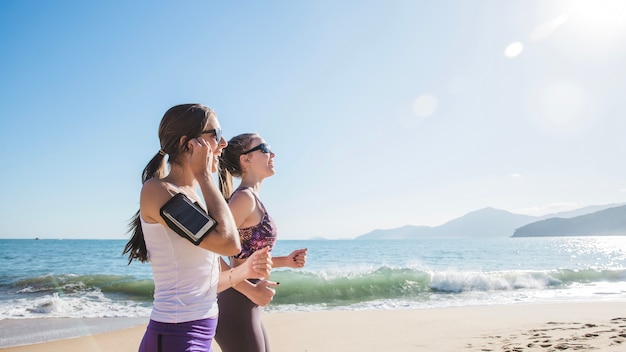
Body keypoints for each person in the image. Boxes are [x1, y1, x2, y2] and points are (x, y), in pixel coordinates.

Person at [123, 104, 273, 352]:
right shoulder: (159, 191)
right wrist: (204, 176)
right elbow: (228, 243)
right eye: (215, 134)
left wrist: (246, 271)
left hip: (199, 333)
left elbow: (205, 282)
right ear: (188, 144)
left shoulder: (190, 198)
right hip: (175, 336)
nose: (223, 143)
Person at [215, 133, 308, 352]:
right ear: (245, 159)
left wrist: (285, 261)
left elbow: (244, 259)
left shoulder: (252, 199)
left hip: (248, 304)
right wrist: (249, 290)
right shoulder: (243, 199)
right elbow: (207, 252)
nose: (272, 153)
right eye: (264, 148)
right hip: (237, 302)